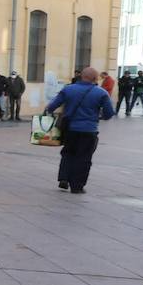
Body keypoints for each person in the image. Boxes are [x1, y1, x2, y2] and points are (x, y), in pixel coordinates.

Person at [43, 66, 114, 194]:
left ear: (81, 76)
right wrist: (98, 116)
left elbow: (51, 107)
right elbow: (109, 114)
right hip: (89, 130)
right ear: (94, 78)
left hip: (70, 129)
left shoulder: (68, 89)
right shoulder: (101, 93)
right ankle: (77, 186)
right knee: (84, 158)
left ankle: (64, 178)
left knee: (67, 153)